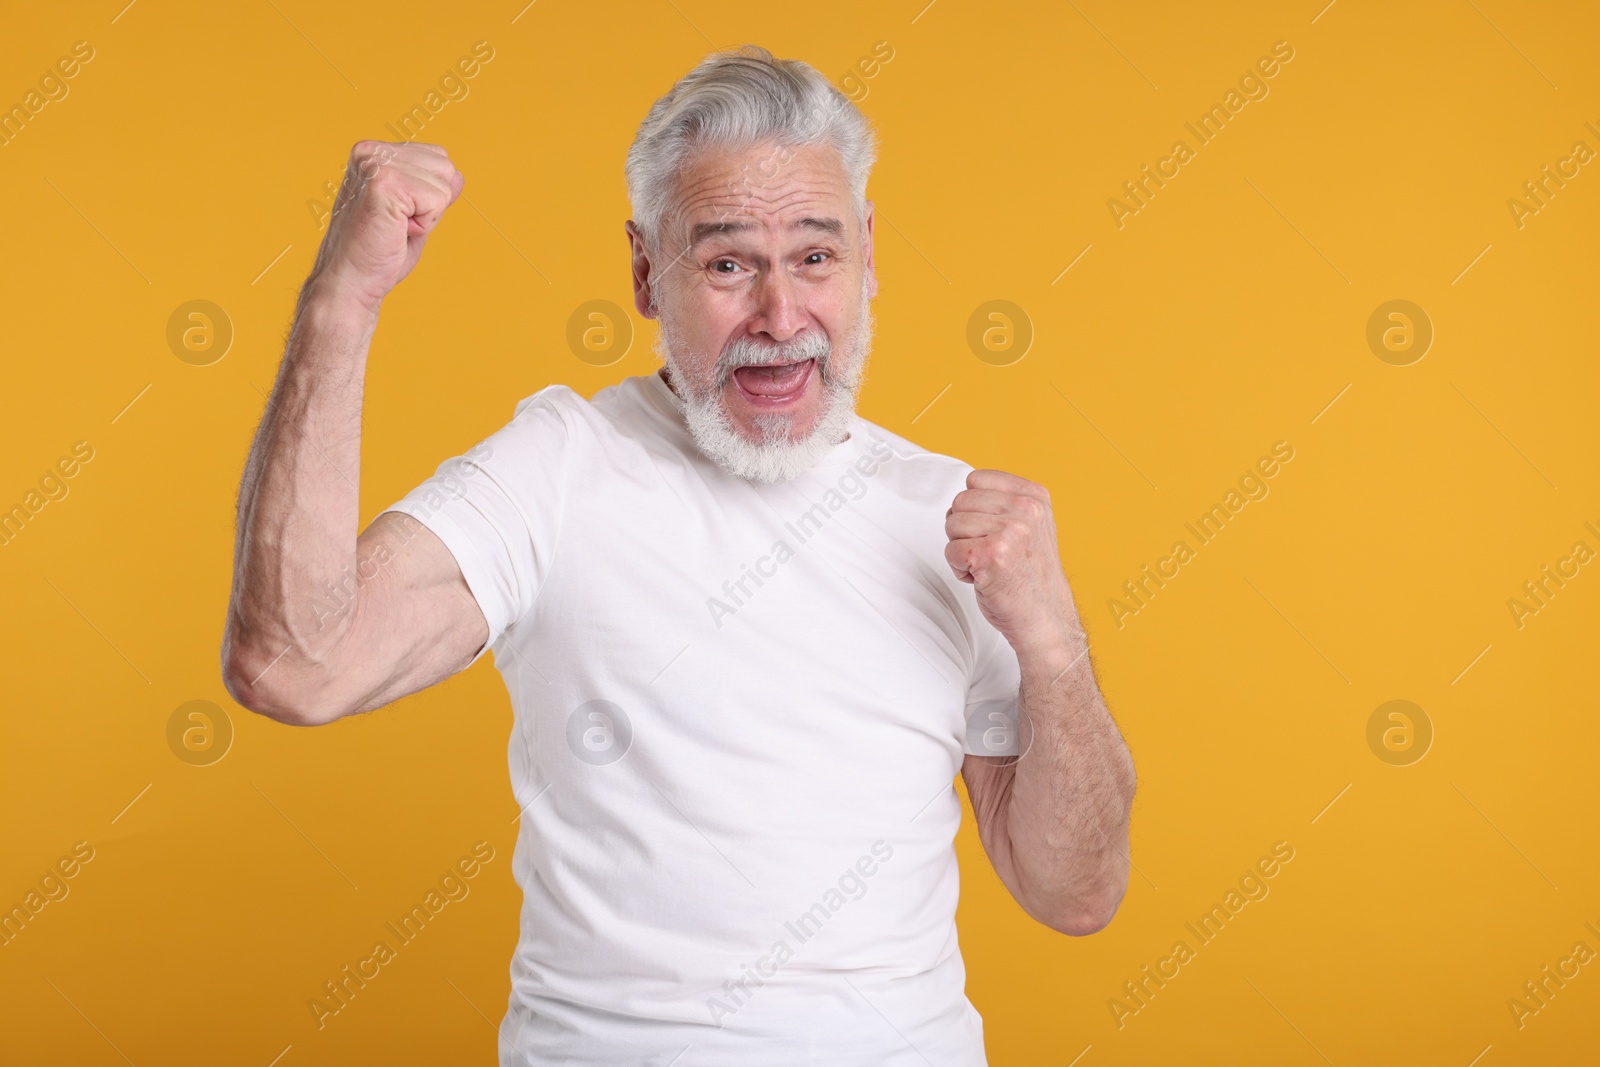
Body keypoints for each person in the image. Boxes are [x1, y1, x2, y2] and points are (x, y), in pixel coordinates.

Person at [222, 43, 1135, 1067]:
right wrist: (342, 302)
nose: (781, 319)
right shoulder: (558, 469)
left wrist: (1052, 642)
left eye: (815, 257)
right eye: (728, 262)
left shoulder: (955, 521)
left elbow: (1076, 890)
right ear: (646, 271)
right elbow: (293, 663)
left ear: (869, 256)